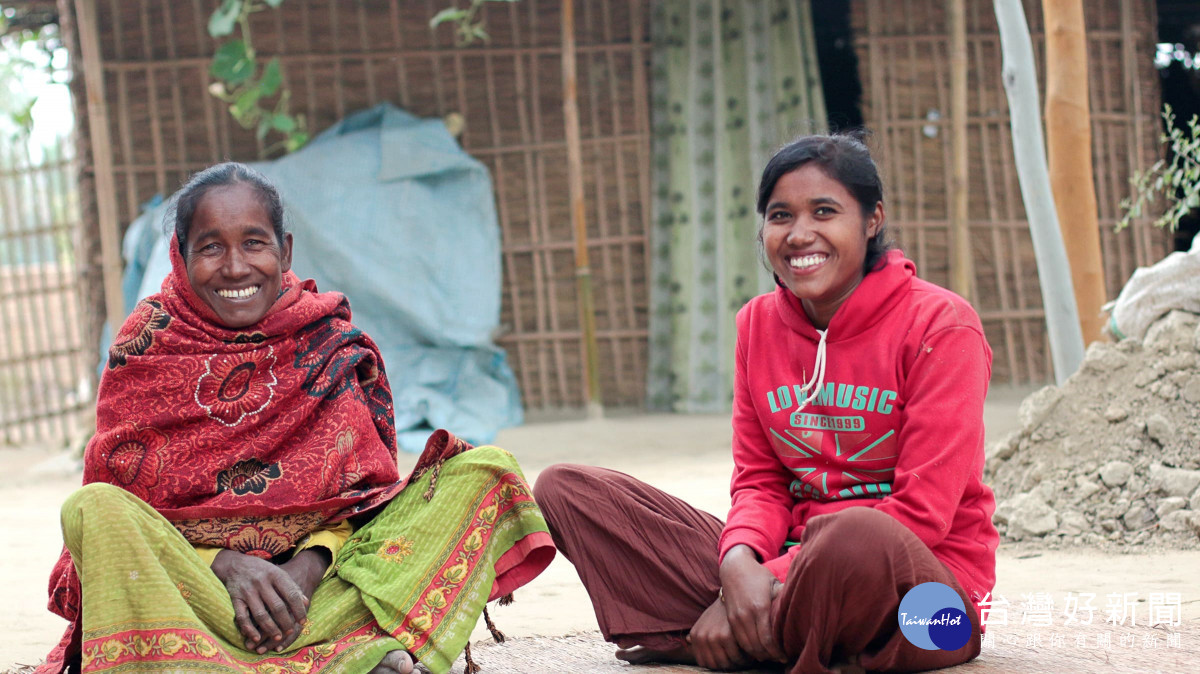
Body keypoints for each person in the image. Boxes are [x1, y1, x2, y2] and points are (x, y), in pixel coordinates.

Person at [39, 163, 554, 674]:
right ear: (180, 256)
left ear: (284, 251)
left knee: (484, 472)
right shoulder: (147, 345)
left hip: (315, 601)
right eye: (211, 247)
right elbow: (129, 513)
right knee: (92, 508)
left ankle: (318, 652)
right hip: (194, 603)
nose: (236, 267)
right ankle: (346, 659)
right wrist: (222, 564)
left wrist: (311, 564)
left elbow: (366, 501)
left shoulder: (325, 339)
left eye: (254, 243)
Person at [535, 134, 998, 673]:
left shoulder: (941, 324)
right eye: (781, 216)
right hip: (785, 566)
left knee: (856, 535)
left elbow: (924, 515)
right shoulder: (757, 325)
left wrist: (768, 579)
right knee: (566, 489)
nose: (800, 234)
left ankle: (731, 638)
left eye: (824, 211)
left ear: (872, 220)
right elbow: (759, 481)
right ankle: (777, 634)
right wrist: (737, 564)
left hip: (926, 598)